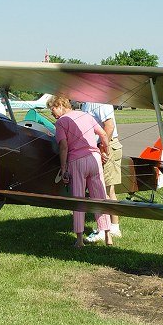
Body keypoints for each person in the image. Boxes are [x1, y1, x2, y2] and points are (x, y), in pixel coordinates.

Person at [47, 95, 113, 248]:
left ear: (59, 105)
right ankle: (108, 236)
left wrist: (63, 169)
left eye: (53, 110)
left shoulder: (61, 122)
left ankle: (79, 239)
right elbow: (103, 134)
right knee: (100, 196)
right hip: (94, 158)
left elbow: (63, 146)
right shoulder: (87, 115)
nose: (53, 114)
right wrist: (106, 152)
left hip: (77, 161)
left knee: (78, 199)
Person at [81, 101, 123, 242]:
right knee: (106, 190)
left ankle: (105, 229)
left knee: (102, 190)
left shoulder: (99, 102)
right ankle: (113, 227)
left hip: (107, 145)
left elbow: (109, 126)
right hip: (99, 146)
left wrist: (103, 148)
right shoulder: (86, 104)